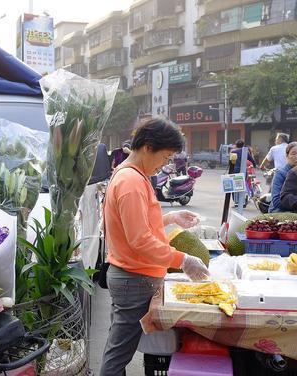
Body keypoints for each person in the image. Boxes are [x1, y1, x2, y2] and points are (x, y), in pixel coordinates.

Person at [100, 118, 210, 376]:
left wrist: (170, 219)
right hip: (134, 277)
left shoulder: (132, 175)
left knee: (118, 347)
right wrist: (182, 259)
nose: (165, 164)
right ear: (148, 147)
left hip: (131, 274)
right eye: (166, 156)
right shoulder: (131, 182)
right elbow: (140, 240)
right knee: (118, 354)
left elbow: (135, 228)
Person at [268, 142, 297, 213]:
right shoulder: (280, 173)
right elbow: (276, 201)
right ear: (287, 156)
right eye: (293, 154)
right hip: (281, 212)